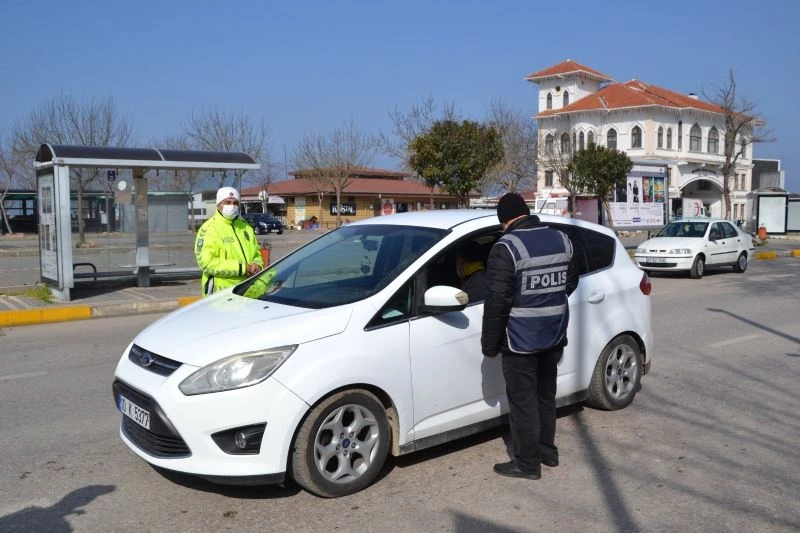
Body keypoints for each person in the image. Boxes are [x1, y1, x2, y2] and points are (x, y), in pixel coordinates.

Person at [481, 193, 579, 480]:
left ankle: (527, 463)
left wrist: (490, 344)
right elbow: (570, 282)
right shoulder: (562, 239)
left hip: (520, 340)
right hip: (554, 333)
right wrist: (546, 303)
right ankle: (547, 452)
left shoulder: (506, 247)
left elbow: (497, 302)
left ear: (505, 220)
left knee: (523, 403)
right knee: (546, 397)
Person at [195, 187, 264, 296]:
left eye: (235, 203)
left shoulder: (245, 227)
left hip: (249, 293)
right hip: (221, 296)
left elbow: (257, 253)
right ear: (218, 204)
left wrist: (257, 264)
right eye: (227, 202)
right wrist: (242, 268)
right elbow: (207, 263)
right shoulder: (209, 229)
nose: (232, 206)